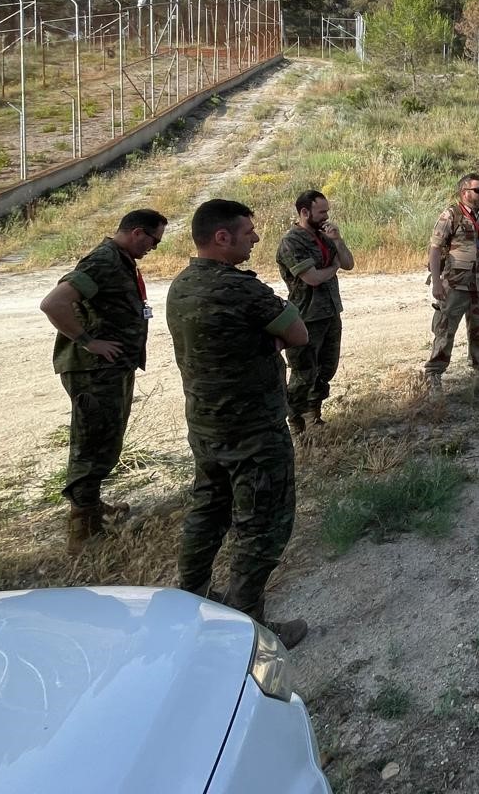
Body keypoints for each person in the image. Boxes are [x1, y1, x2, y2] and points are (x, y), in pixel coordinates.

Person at [168, 198, 310, 649]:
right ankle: (249, 628)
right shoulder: (241, 289)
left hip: (207, 426)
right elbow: (298, 333)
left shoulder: (181, 285)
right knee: (262, 525)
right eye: (249, 232)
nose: (256, 238)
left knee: (207, 511)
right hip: (253, 429)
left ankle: (188, 599)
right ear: (222, 237)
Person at [39, 208, 168, 555]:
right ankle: (82, 529)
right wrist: (87, 341)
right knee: (91, 441)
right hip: (93, 370)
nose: (154, 248)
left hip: (109, 369)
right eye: (153, 240)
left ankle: (92, 505)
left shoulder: (120, 260)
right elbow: (54, 303)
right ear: (137, 233)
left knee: (106, 438)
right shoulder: (103, 261)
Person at [275, 189, 354, 434]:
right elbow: (312, 278)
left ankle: (314, 415)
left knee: (326, 367)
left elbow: (349, 264)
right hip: (306, 316)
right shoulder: (292, 242)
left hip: (330, 312)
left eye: (327, 211)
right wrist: (333, 266)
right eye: (321, 212)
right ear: (304, 212)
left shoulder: (326, 236)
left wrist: (338, 241)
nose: (326, 216)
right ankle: (295, 423)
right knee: (303, 372)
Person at [425, 172, 479, 397]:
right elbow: (435, 248)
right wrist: (436, 284)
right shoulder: (451, 215)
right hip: (455, 285)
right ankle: (434, 377)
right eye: (477, 190)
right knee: (445, 330)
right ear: (464, 193)